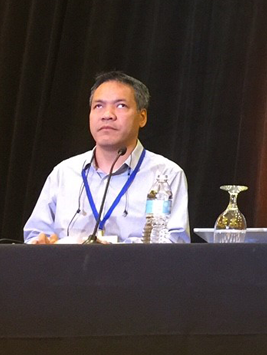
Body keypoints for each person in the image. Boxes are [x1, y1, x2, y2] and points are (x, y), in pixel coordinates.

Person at [24, 71, 190, 243]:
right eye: (98, 106)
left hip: (134, 270)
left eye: (120, 106)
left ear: (142, 117)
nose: (107, 115)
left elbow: (175, 244)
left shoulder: (166, 174)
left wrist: (112, 251)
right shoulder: (64, 172)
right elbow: (34, 234)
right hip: (68, 268)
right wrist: (40, 243)